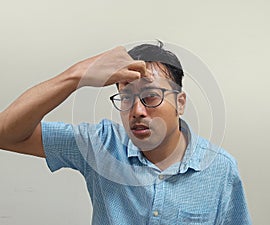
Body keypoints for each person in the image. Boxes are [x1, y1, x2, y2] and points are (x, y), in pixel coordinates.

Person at [0, 41, 252, 224]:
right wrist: (78, 74)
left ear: (180, 103)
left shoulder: (220, 169)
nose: (137, 111)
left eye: (151, 97)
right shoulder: (102, 145)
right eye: (126, 97)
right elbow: (6, 133)